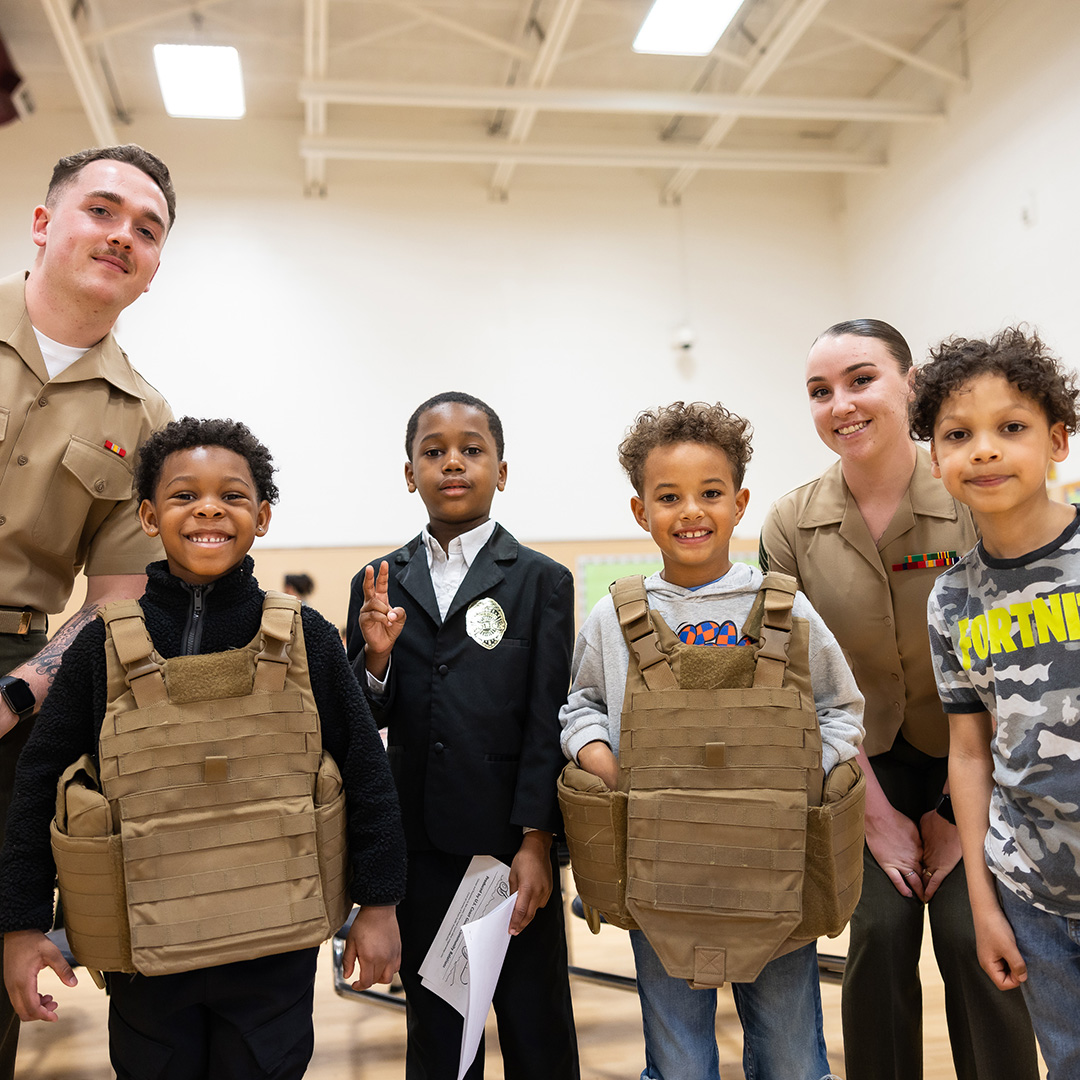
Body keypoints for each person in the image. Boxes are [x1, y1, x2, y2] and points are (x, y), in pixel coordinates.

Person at [0, 417, 407, 1079]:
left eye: (233, 495)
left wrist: (380, 904)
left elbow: (367, 774)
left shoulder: (306, 637)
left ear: (264, 516)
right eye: (185, 495)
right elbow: (39, 786)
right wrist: (22, 926)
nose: (210, 507)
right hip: (145, 949)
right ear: (148, 516)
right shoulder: (99, 645)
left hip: (274, 949)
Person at [760, 320, 1037, 1080]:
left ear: (909, 385)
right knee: (878, 939)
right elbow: (790, 682)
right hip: (859, 769)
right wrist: (876, 818)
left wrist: (954, 816)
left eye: (861, 379)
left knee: (971, 940)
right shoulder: (789, 524)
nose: (841, 404)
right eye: (820, 391)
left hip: (973, 763)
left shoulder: (972, 497)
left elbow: (1009, 669)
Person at [560, 400, 863, 1080]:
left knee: (791, 1060)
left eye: (710, 493)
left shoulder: (783, 605)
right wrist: (601, 761)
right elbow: (580, 704)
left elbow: (841, 709)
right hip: (658, 880)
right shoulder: (613, 616)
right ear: (641, 512)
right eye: (669, 497)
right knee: (679, 1065)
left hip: (776, 880)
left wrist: (800, 775)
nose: (690, 510)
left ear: (739, 503)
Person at [0, 144, 176, 1078]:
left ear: (152, 273)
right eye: (102, 211)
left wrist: (17, 695)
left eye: (146, 231)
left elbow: (112, 602)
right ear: (43, 221)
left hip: (13, 676)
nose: (122, 237)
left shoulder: (144, 418)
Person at [345, 391, 579, 1080]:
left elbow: (549, 721)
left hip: (511, 851)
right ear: (409, 471)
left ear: (501, 471)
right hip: (422, 851)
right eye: (434, 450)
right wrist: (378, 657)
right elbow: (360, 725)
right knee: (442, 1037)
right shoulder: (378, 581)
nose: (453, 462)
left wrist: (537, 840)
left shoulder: (542, 582)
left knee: (537, 1029)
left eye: (471, 449)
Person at [912, 329, 1080, 1077]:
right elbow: (969, 752)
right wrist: (984, 903)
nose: (983, 449)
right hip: (1033, 893)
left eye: (1010, 428)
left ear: (1056, 441)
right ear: (936, 459)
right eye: (958, 434)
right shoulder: (951, 598)